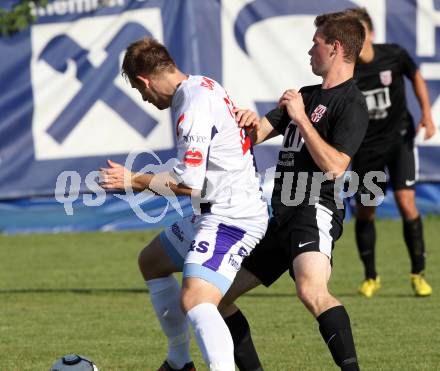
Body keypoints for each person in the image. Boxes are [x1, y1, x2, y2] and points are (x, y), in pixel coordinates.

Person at [100, 37, 268, 371]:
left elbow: (190, 183)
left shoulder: (191, 104)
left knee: (196, 299)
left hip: (232, 217)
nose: (145, 99)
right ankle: (179, 361)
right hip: (216, 211)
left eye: (140, 92)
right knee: (152, 261)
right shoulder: (200, 85)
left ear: (143, 80)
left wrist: (134, 180)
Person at [219, 11, 368, 371]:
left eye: (315, 43)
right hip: (280, 219)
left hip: (314, 208)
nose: (309, 51)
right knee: (214, 297)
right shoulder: (303, 95)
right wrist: (246, 120)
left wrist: (301, 118)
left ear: (334, 48)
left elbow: (335, 167)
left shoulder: (351, 103)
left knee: (311, 290)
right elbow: (253, 137)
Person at [344, 7, 436, 298]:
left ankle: (418, 274)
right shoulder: (347, 70)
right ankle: (371, 276)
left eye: (359, 33)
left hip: (400, 141)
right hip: (366, 150)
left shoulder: (393, 55)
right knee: (366, 210)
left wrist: (426, 113)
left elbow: (416, 74)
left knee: (408, 203)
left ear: (370, 34)